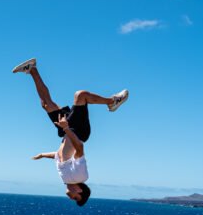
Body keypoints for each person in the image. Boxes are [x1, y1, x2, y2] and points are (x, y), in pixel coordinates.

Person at [12, 58, 128, 206]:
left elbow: (60, 155)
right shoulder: (80, 176)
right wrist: (66, 127)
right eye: (75, 198)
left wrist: (42, 155)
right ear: (79, 191)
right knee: (81, 95)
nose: (71, 197)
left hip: (66, 131)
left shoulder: (66, 178)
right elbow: (79, 148)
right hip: (78, 131)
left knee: (46, 104)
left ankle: (32, 69)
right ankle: (113, 101)